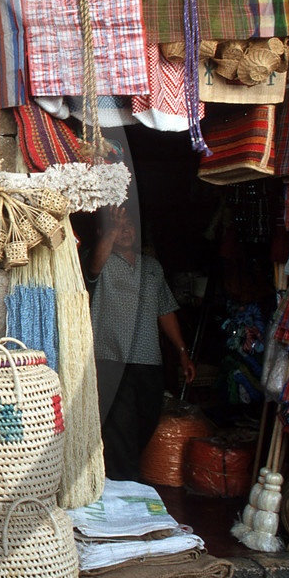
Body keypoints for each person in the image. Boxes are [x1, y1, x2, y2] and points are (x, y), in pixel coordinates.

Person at [86, 205, 196, 481]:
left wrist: (183, 352)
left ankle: (121, 480)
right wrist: (110, 232)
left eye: (129, 226)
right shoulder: (100, 260)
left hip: (149, 362)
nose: (125, 231)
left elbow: (165, 310)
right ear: (104, 232)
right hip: (111, 360)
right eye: (117, 226)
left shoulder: (152, 267)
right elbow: (93, 268)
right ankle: (124, 487)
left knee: (146, 423)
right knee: (119, 429)